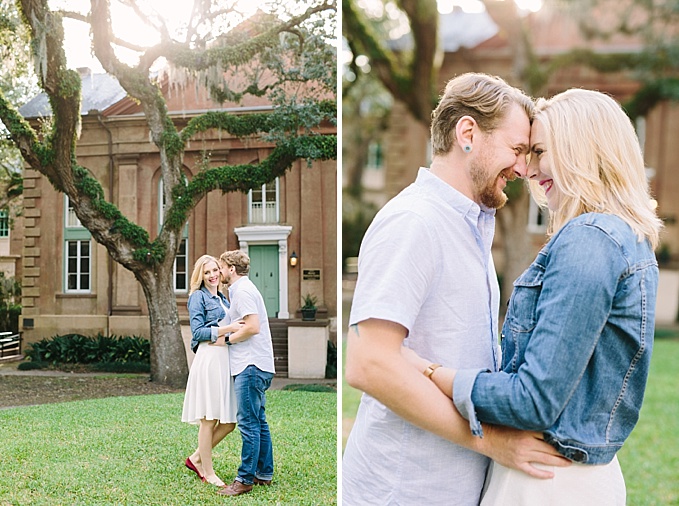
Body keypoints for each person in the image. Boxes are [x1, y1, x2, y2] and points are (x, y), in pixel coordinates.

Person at [403, 89, 662, 505]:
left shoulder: (591, 240)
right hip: (565, 474)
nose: (529, 168)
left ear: (581, 149)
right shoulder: (625, 239)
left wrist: (431, 372)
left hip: (549, 480)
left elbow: (533, 399)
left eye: (540, 151)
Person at [343, 72, 569, 505]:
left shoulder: (471, 225)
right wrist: (489, 443)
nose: (523, 168)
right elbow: (369, 364)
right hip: (403, 490)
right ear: (468, 133)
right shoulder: (415, 221)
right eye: (516, 149)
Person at [215, 249, 276, 497]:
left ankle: (244, 480)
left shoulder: (242, 291)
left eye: (221, 268)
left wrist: (227, 340)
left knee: (249, 423)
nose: (219, 272)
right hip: (257, 364)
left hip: (250, 365)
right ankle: (264, 473)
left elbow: (252, 327)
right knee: (258, 420)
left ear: (231, 269)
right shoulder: (242, 290)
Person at [181, 254, 243, 487]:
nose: (213, 275)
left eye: (215, 270)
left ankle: (196, 457)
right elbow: (197, 333)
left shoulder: (224, 299)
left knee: (228, 422)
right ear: (201, 276)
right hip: (209, 359)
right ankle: (207, 471)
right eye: (207, 272)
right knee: (209, 419)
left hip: (224, 359)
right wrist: (228, 328)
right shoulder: (198, 297)